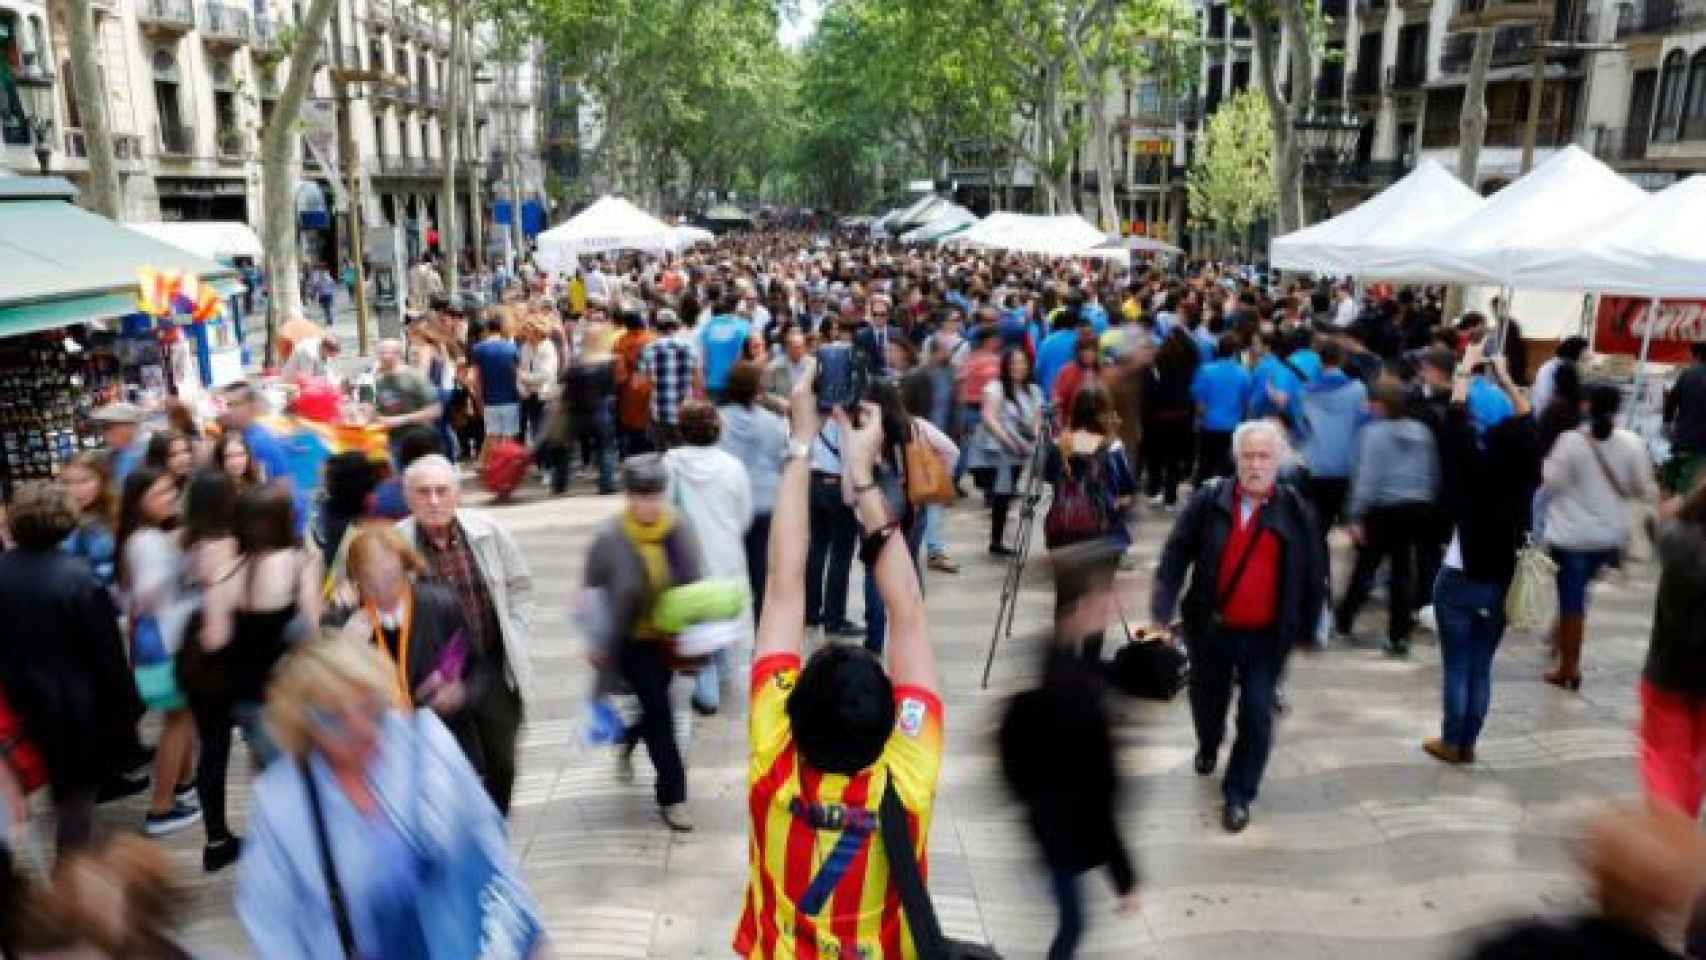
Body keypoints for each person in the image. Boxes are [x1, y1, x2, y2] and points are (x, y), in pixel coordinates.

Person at [732, 371, 945, 960]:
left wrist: (802, 442)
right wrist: (862, 476)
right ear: (888, 723)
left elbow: (781, 584)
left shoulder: (773, 753)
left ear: (793, 708)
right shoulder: (907, 776)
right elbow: (907, 614)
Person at [235, 641, 541, 958]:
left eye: (370, 707)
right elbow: (270, 923)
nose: (363, 728)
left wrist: (529, 933)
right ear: (307, 727)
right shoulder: (281, 801)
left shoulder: (425, 741)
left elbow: (488, 842)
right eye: (336, 719)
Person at [1149, 420, 1326, 833]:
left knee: (1257, 713)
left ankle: (1239, 794)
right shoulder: (1210, 502)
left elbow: (1314, 570)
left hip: (1266, 636)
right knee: (1207, 702)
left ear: (1278, 461)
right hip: (1212, 629)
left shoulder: (1295, 509)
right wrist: (1162, 605)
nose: (1256, 464)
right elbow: (1176, 553)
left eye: (1264, 456)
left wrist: (1310, 623)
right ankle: (1208, 742)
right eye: (1248, 455)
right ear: (1236, 459)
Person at [1000, 542, 1140, 959]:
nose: (1113, 604)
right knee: (1073, 927)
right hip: (1064, 831)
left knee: (1072, 922)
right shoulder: (1076, 693)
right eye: (1105, 596)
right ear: (1082, 607)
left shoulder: (1056, 662)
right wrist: (1125, 879)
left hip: (1050, 825)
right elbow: (1101, 792)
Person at [0, 482, 144, 855]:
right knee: (74, 805)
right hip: (72, 711)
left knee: (23, 804)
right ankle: (72, 884)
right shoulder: (79, 578)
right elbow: (108, 657)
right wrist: (127, 712)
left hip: (16, 702)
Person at [398, 455, 533, 814]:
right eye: (423, 492)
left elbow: (520, 586)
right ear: (409, 498)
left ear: (457, 494)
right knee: (448, 768)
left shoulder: (488, 531)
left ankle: (494, 825)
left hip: (491, 666)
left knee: (502, 761)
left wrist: (515, 632)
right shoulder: (397, 544)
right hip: (432, 678)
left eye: (442, 491)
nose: (434, 501)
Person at [1424, 350, 1539, 765]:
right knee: (1480, 666)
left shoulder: (1473, 467)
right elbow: (1527, 422)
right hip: (1502, 577)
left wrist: (1465, 367)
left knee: (1456, 664)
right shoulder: (1526, 473)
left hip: (1461, 572)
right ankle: (1469, 741)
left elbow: (1453, 418)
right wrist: (1507, 377)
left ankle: (1452, 740)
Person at [583, 455, 705, 830]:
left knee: (655, 712)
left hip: (667, 640)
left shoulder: (678, 529)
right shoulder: (610, 536)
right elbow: (591, 591)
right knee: (661, 714)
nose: (649, 505)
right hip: (629, 640)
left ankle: (630, 739)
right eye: (640, 496)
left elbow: (695, 580)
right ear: (628, 496)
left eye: (655, 495)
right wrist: (595, 638)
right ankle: (674, 798)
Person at [1540, 383, 1656, 690]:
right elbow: (1642, 488)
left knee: (1572, 600)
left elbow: (1551, 481)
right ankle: (1560, 638)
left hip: (1571, 535)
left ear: (1586, 405)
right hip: (1609, 537)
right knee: (1578, 593)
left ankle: (1568, 667)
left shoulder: (1570, 442)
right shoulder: (1632, 443)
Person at [335, 527, 481, 768]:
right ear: (356, 581)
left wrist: (461, 692)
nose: (384, 591)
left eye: (392, 578)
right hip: (379, 757)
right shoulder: (342, 620)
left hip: (441, 749)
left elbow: (479, 670)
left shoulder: (440, 604)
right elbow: (325, 702)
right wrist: (347, 651)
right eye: (371, 582)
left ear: (407, 569)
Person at [114, 467, 199, 837]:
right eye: (159, 492)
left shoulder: (140, 537)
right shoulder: (147, 541)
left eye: (170, 491)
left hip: (154, 649)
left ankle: (179, 791)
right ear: (139, 500)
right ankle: (161, 808)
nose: (169, 498)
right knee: (176, 726)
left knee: (176, 723)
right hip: (164, 646)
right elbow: (148, 597)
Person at [663, 401, 753, 716]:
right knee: (721, 618)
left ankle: (708, 690)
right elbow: (745, 516)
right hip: (727, 557)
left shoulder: (670, 465)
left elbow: (662, 513)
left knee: (698, 622)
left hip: (687, 560)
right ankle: (722, 681)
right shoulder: (733, 467)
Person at [1041, 386, 1138, 664]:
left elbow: (1048, 478)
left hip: (1062, 532)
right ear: (1104, 413)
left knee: (1066, 601)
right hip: (1103, 536)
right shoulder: (1112, 448)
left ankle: (1063, 662)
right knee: (1097, 602)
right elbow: (1127, 489)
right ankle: (1090, 663)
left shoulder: (1059, 445)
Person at [718, 361, 788, 620]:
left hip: (730, 502)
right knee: (760, 566)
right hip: (765, 501)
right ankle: (759, 619)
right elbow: (782, 459)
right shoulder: (772, 422)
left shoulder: (719, 420)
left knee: (730, 563)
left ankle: (732, 613)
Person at [968, 346, 1044, 557]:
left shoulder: (1034, 391)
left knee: (1006, 494)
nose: (1017, 367)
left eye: (1021, 362)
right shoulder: (995, 387)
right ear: (1005, 366)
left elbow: (1037, 420)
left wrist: (1034, 439)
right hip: (996, 451)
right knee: (1002, 494)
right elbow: (989, 417)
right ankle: (996, 541)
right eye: (1013, 363)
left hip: (1019, 451)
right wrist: (1009, 441)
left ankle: (997, 539)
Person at [1141, 327, 1200, 509]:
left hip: (1157, 417)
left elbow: (1148, 392)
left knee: (1155, 456)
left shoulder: (1156, 365)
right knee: (1174, 459)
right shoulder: (1190, 365)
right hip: (1181, 417)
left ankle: (1155, 490)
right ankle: (1170, 497)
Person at [639, 308, 703, 450]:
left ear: (656, 327)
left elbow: (642, 383)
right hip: (684, 412)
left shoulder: (648, 349)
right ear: (675, 326)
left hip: (660, 412)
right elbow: (697, 382)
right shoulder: (690, 348)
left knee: (662, 456)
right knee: (683, 453)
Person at [1191, 334, 1251, 484]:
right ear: (1235, 352)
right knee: (1228, 470)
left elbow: (1199, 403)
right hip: (1232, 427)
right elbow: (1246, 403)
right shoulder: (1244, 373)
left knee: (1205, 466)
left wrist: (1201, 419)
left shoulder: (1205, 370)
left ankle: (1200, 498)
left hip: (1209, 426)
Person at [372, 338, 443, 462]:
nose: (382, 356)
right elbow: (379, 411)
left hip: (419, 441)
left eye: (386, 352)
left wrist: (401, 420)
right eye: (380, 352)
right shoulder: (378, 381)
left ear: (397, 354)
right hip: (393, 443)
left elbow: (435, 410)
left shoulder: (414, 376)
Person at [59, 451, 118, 594]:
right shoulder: (58, 519)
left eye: (84, 481)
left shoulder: (116, 512)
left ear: (102, 481)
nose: (75, 490)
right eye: (67, 482)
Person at [1663, 341, 1706, 496]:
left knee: (1670, 484)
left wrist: (1667, 425)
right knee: (1689, 490)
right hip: (1701, 445)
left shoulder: (1687, 374)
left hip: (1681, 439)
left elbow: (1671, 402)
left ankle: (1664, 513)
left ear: (1697, 356)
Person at [470, 318, 522, 443]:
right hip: (511, 399)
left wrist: (478, 401)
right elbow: (517, 375)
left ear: (487, 329)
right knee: (509, 438)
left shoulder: (478, 349)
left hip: (489, 401)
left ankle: (497, 462)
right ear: (502, 329)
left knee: (493, 438)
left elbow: (477, 379)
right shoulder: (512, 348)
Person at [516, 317, 561, 446]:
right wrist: (522, 388)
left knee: (540, 429)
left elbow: (545, 375)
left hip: (543, 394)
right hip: (527, 394)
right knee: (524, 428)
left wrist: (523, 377)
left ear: (537, 331)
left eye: (527, 330)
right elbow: (520, 369)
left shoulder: (548, 347)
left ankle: (544, 462)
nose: (525, 333)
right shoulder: (525, 347)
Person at [699, 295, 752, 402]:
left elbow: (704, 356)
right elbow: (747, 355)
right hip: (735, 383)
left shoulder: (707, 327)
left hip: (712, 382)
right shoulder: (743, 326)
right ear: (736, 308)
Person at [91, 402, 148, 488]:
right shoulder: (108, 456)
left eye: (108, 427)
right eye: (103, 427)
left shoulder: (149, 453)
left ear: (130, 426)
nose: (104, 433)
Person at [1531, 335, 1589, 417]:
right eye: (1584, 355)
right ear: (1577, 352)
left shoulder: (1551, 364)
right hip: (1549, 416)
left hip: (1540, 413)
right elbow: (1573, 397)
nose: (1585, 358)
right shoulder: (1564, 367)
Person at [763, 327, 810, 400]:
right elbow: (765, 394)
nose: (800, 350)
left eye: (801, 347)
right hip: (781, 408)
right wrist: (778, 401)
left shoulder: (811, 364)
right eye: (796, 347)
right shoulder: (774, 367)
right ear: (788, 348)